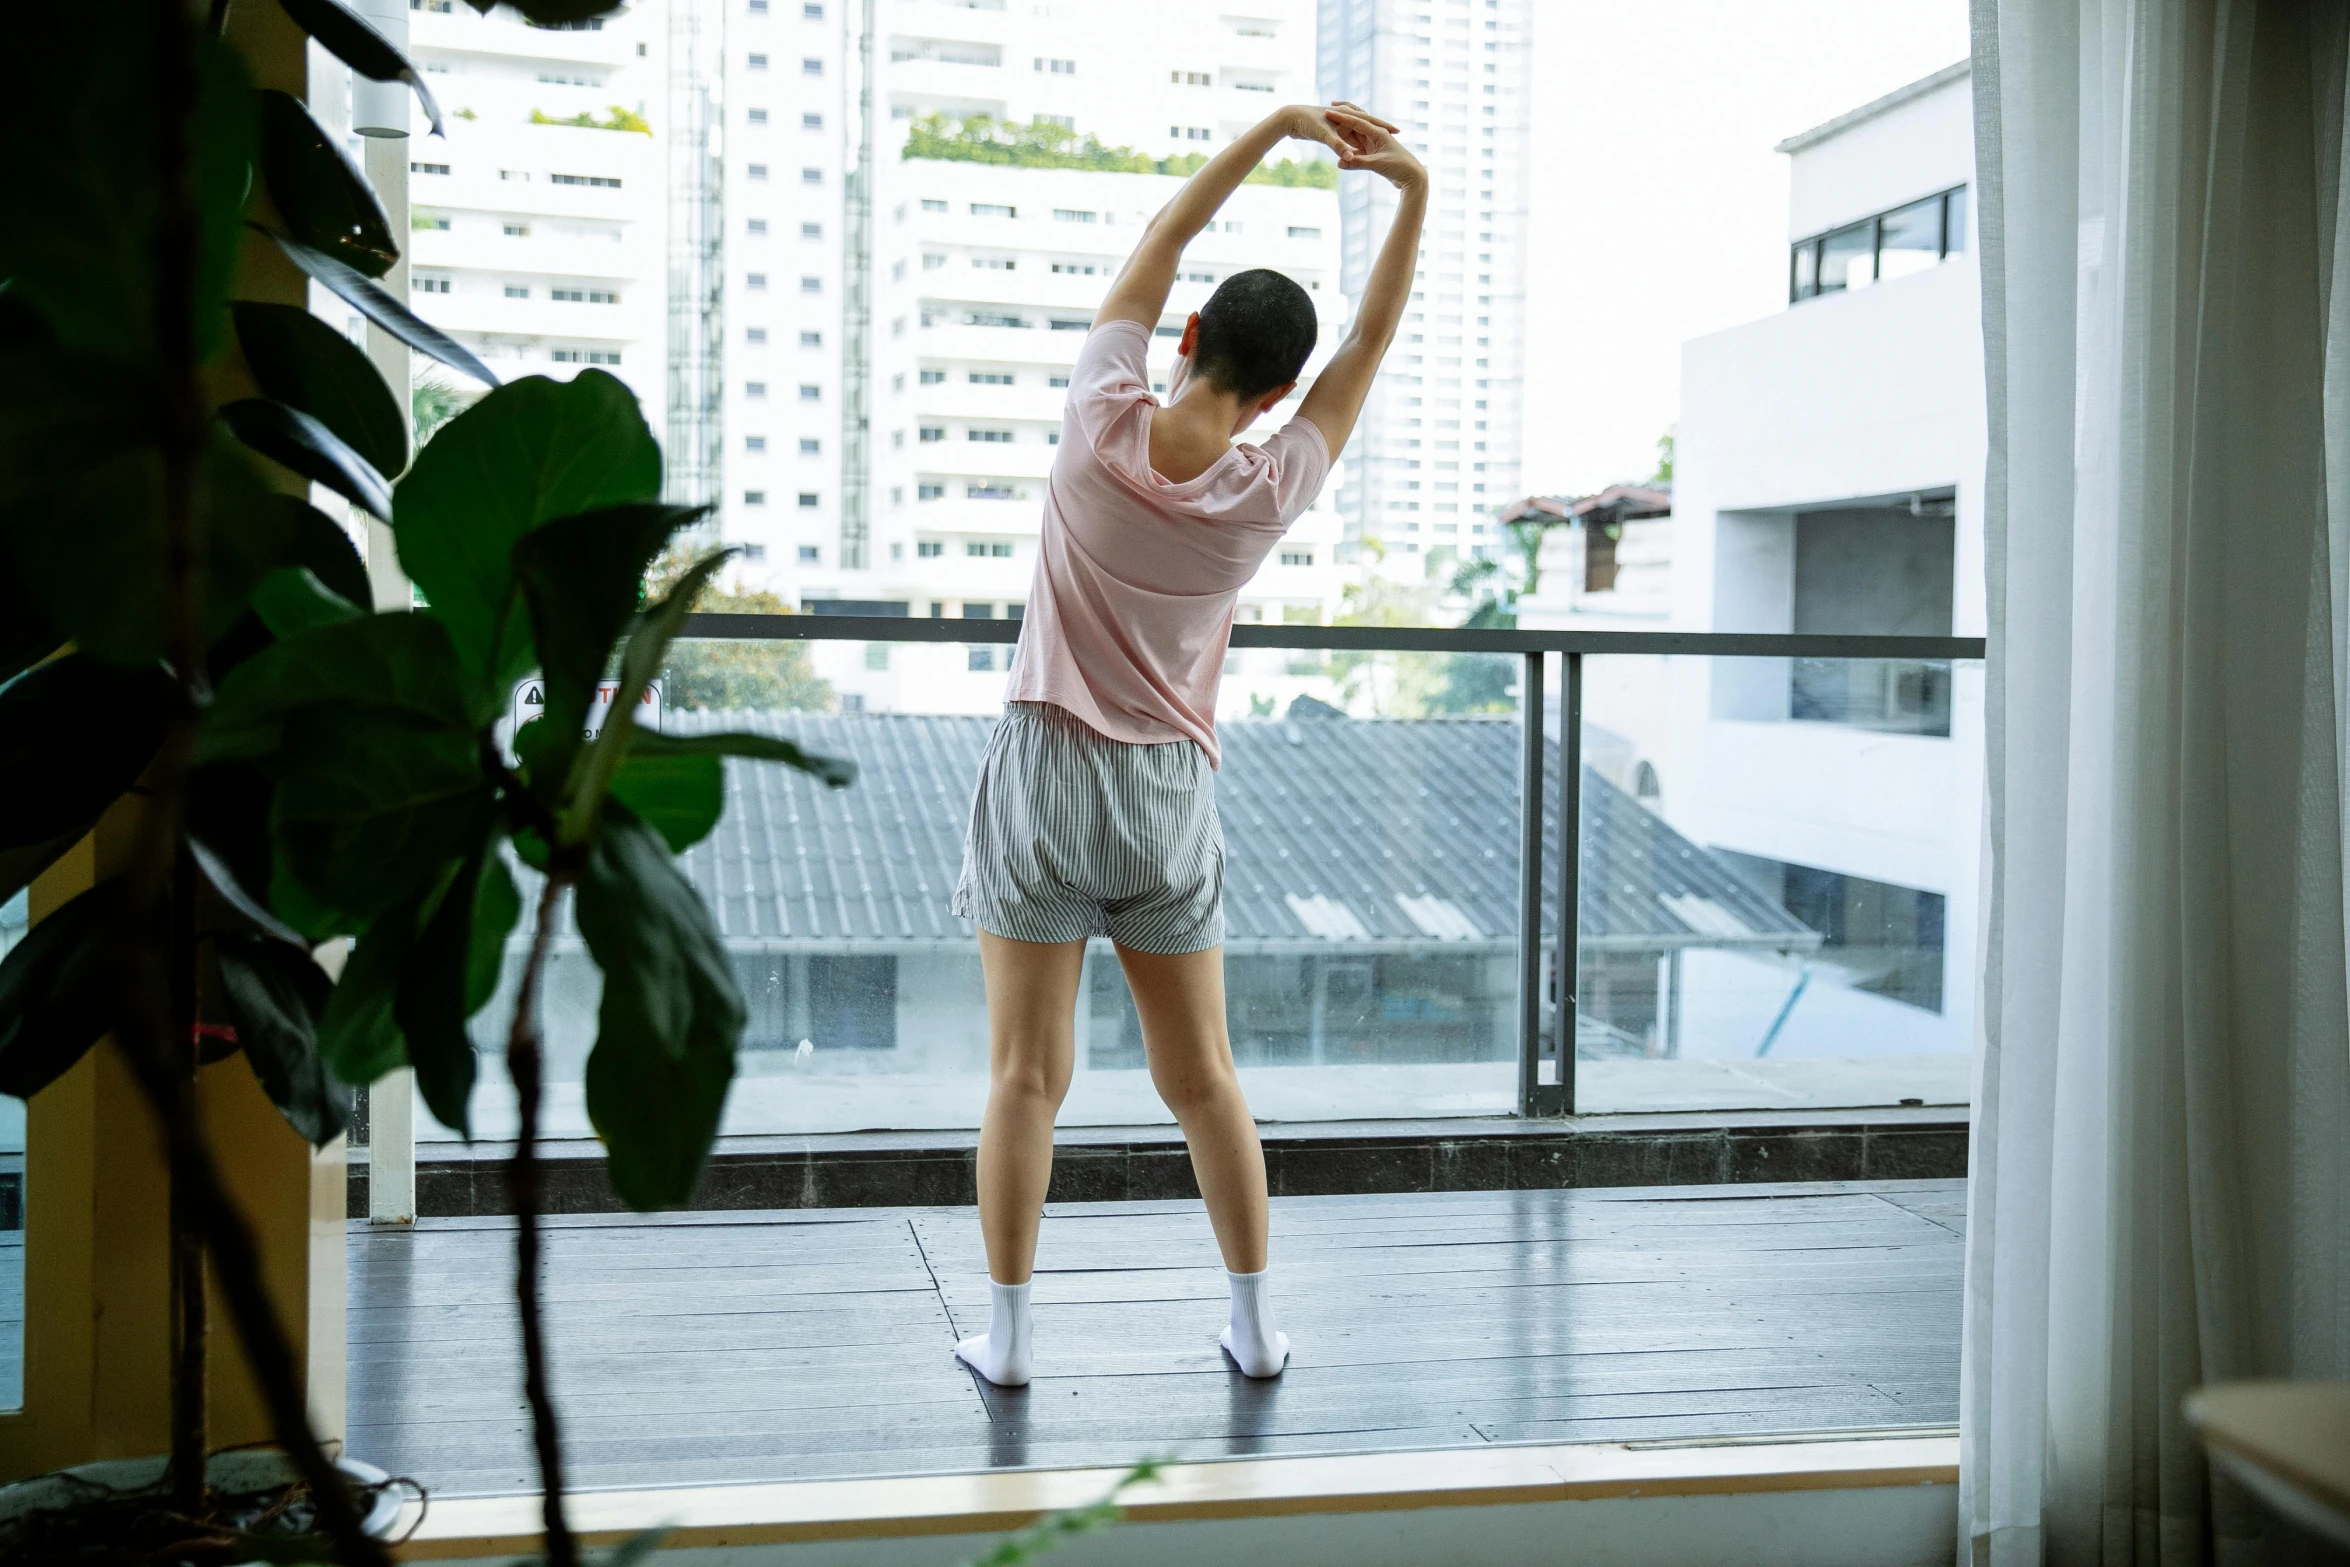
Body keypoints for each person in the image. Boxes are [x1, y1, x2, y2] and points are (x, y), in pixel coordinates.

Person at [947, 101, 1428, 1386]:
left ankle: (1005, 1342)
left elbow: (1167, 233)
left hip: (1046, 769)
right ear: (1278, 392)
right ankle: (1257, 1327)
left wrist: (1276, 126)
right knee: (1203, 1077)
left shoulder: (1099, 419)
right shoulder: (1269, 487)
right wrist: (1412, 189)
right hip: (1168, 793)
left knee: (1025, 1077)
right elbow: (1370, 341)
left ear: (1193, 337)